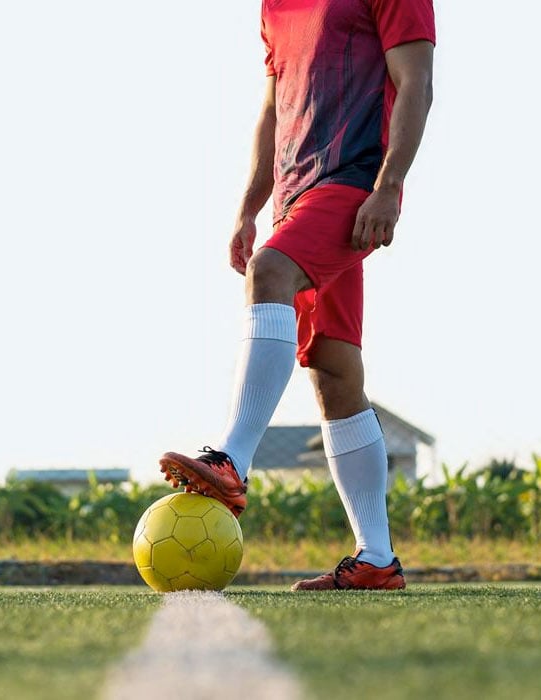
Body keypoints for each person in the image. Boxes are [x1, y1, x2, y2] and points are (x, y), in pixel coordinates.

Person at [159, 0, 435, 591]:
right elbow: (272, 111)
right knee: (334, 370)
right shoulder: (275, 5)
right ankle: (377, 562)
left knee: (270, 273)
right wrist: (250, 208)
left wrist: (389, 188)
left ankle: (232, 460)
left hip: (355, 183)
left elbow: (416, 81)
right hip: (293, 196)